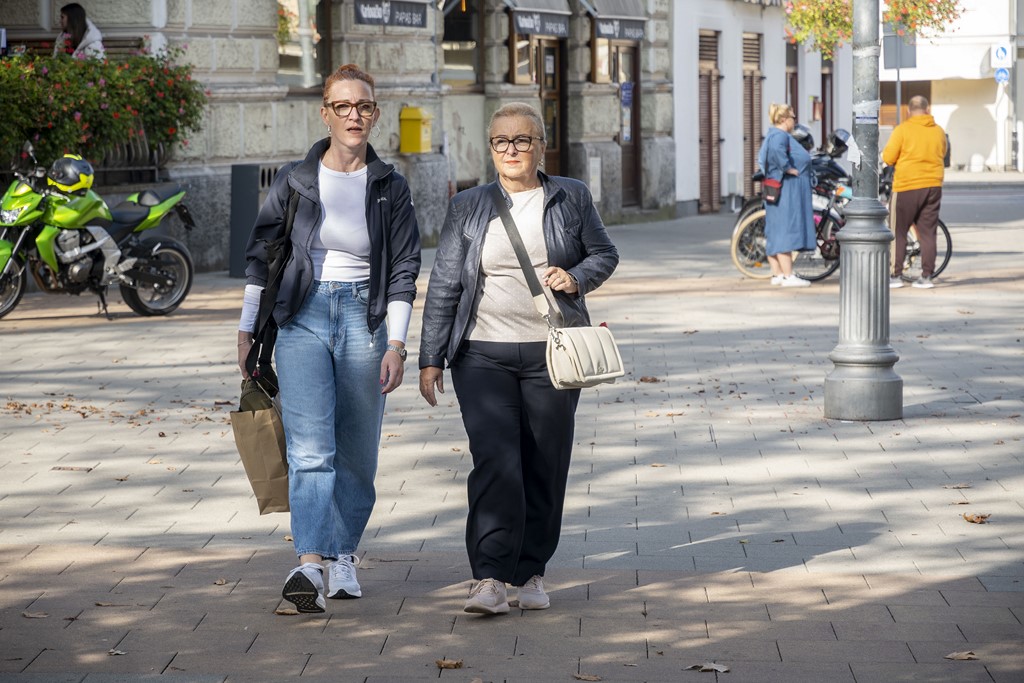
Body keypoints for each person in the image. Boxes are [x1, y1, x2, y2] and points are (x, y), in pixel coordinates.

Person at [418, 102, 618, 616]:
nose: (511, 150)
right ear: (491, 149)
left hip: (553, 355)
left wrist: (576, 277)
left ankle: (530, 569)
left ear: (541, 147)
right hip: (481, 353)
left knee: (544, 463)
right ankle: (488, 576)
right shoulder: (468, 204)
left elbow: (604, 253)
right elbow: (444, 282)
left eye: (522, 141)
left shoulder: (570, 197)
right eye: (501, 142)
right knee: (496, 462)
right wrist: (430, 357)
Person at [236, 63, 421, 613]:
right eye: (342, 106)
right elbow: (260, 257)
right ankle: (310, 563)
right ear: (326, 113)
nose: (353, 116)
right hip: (303, 316)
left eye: (363, 106)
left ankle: (344, 554)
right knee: (311, 447)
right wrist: (248, 329)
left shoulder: (390, 185)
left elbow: (406, 267)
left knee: (358, 449)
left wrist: (397, 342)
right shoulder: (296, 179)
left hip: (365, 317)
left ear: (375, 113)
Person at [883, 95, 947, 289]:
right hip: (933, 186)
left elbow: (888, 156)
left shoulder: (902, 130)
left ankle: (896, 275)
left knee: (898, 231)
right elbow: (943, 152)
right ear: (927, 110)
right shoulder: (938, 131)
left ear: (909, 112)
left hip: (906, 186)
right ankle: (927, 276)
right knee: (928, 233)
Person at [757, 103, 816, 287]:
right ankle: (788, 275)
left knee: (775, 230)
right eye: (792, 117)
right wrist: (788, 168)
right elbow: (776, 151)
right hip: (785, 191)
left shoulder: (773, 135)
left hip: (776, 188)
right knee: (785, 230)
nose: (794, 121)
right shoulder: (780, 136)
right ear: (784, 120)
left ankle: (778, 274)